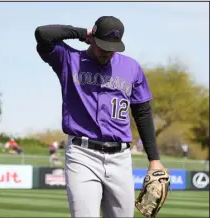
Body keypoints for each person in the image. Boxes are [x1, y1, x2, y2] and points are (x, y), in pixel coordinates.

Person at [35, 15, 166, 218]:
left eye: (112, 47)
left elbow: (142, 112)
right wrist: (81, 33)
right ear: (93, 38)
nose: (107, 52)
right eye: (103, 45)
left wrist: (154, 159)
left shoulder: (132, 68)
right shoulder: (69, 60)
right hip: (82, 155)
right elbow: (43, 34)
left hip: (120, 158)